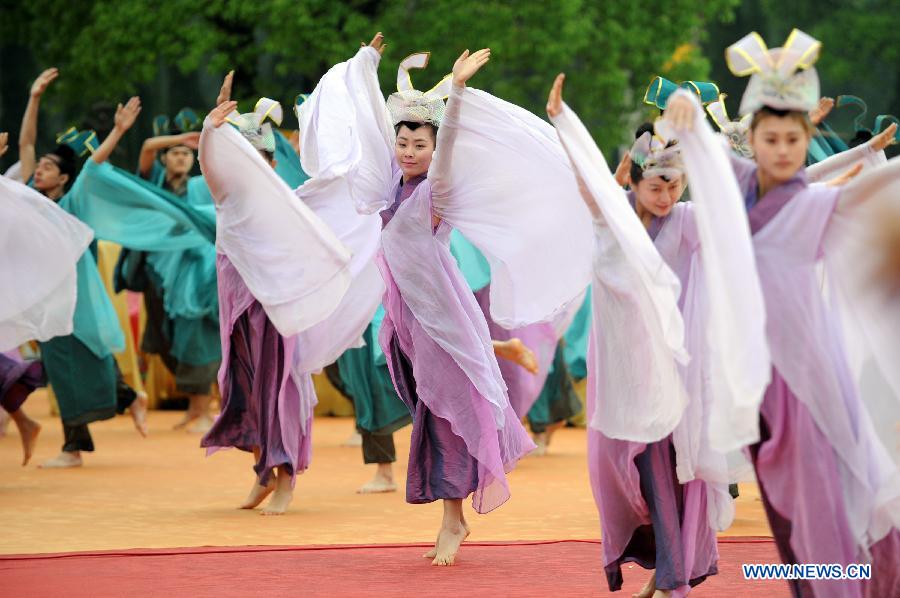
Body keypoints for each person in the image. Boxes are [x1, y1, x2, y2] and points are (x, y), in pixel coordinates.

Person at [663, 29, 900, 597]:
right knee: (784, 512)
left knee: (819, 506)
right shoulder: (733, 187)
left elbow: (881, 187)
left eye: (794, 139)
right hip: (755, 381)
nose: (784, 150)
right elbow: (700, 138)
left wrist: (877, 158)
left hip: (811, 383)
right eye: (771, 138)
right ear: (756, 139)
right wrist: (685, 104)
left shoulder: (817, 204)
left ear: (807, 137)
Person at [15, 69, 148, 467]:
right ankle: (127, 397)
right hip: (44, 298)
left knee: (70, 364)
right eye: (39, 165)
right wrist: (34, 97)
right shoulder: (29, 201)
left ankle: (73, 448)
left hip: (71, 300)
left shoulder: (68, 206)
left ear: (64, 178)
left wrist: (119, 131)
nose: (39, 169)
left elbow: (94, 166)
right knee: (69, 364)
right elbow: (24, 142)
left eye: (48, 167)